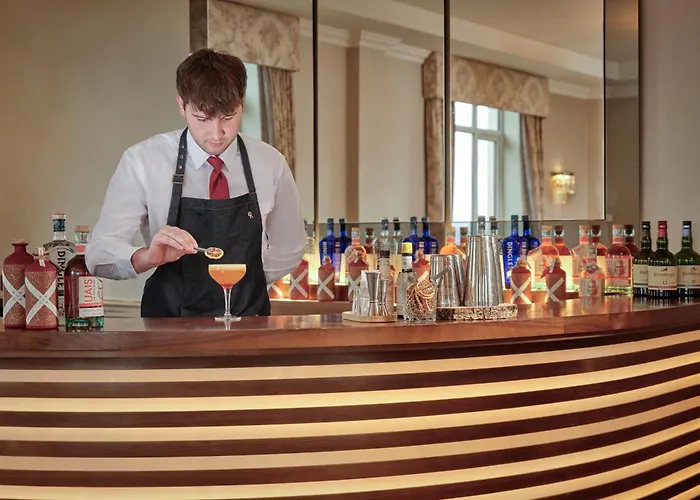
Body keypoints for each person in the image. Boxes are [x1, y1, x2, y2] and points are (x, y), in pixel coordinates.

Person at [86, 48, 305, 318]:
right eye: (202, 119)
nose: (217, 134)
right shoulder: (143, 161)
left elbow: (290, 247)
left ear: (242, 103)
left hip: (250, 326)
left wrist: (245, 281)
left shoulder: (271, 163)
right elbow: (99, 254)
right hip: (168, 331)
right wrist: (149, 257)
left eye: (228, 117)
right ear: (182, 106)